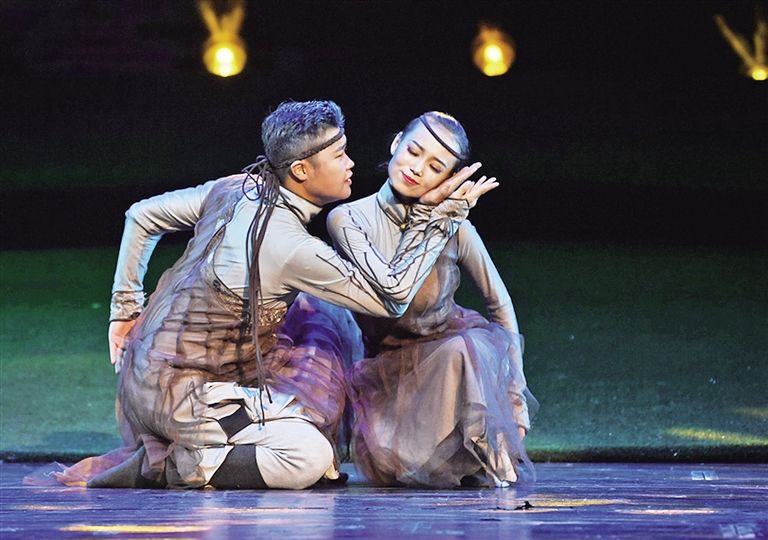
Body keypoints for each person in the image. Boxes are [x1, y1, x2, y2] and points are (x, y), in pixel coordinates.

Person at [51, 100, 495, 490]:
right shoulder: (290, 246)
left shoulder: (237, 186)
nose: (351, 164)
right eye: (339, 155)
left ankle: (221, 433)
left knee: (320, 319)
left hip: (151, 370)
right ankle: (175, 465)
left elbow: (141, 215)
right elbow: (392, 299)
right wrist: (441, 217)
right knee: (310, 456)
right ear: (301, 170)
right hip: (182, 396)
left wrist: (124, 311)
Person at [327, 111, 537, 488]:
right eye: (413, 152)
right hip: (390, 378)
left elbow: (499, 305)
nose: (417, 169)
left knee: (466, 348)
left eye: (436, 167)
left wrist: (516, 399)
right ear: (396, 144)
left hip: (455, 361)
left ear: (449, 178)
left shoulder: (457, 228)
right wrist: (431, 219)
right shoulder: (348, 219)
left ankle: (482, 445)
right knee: (459, 356)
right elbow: (394, 290)